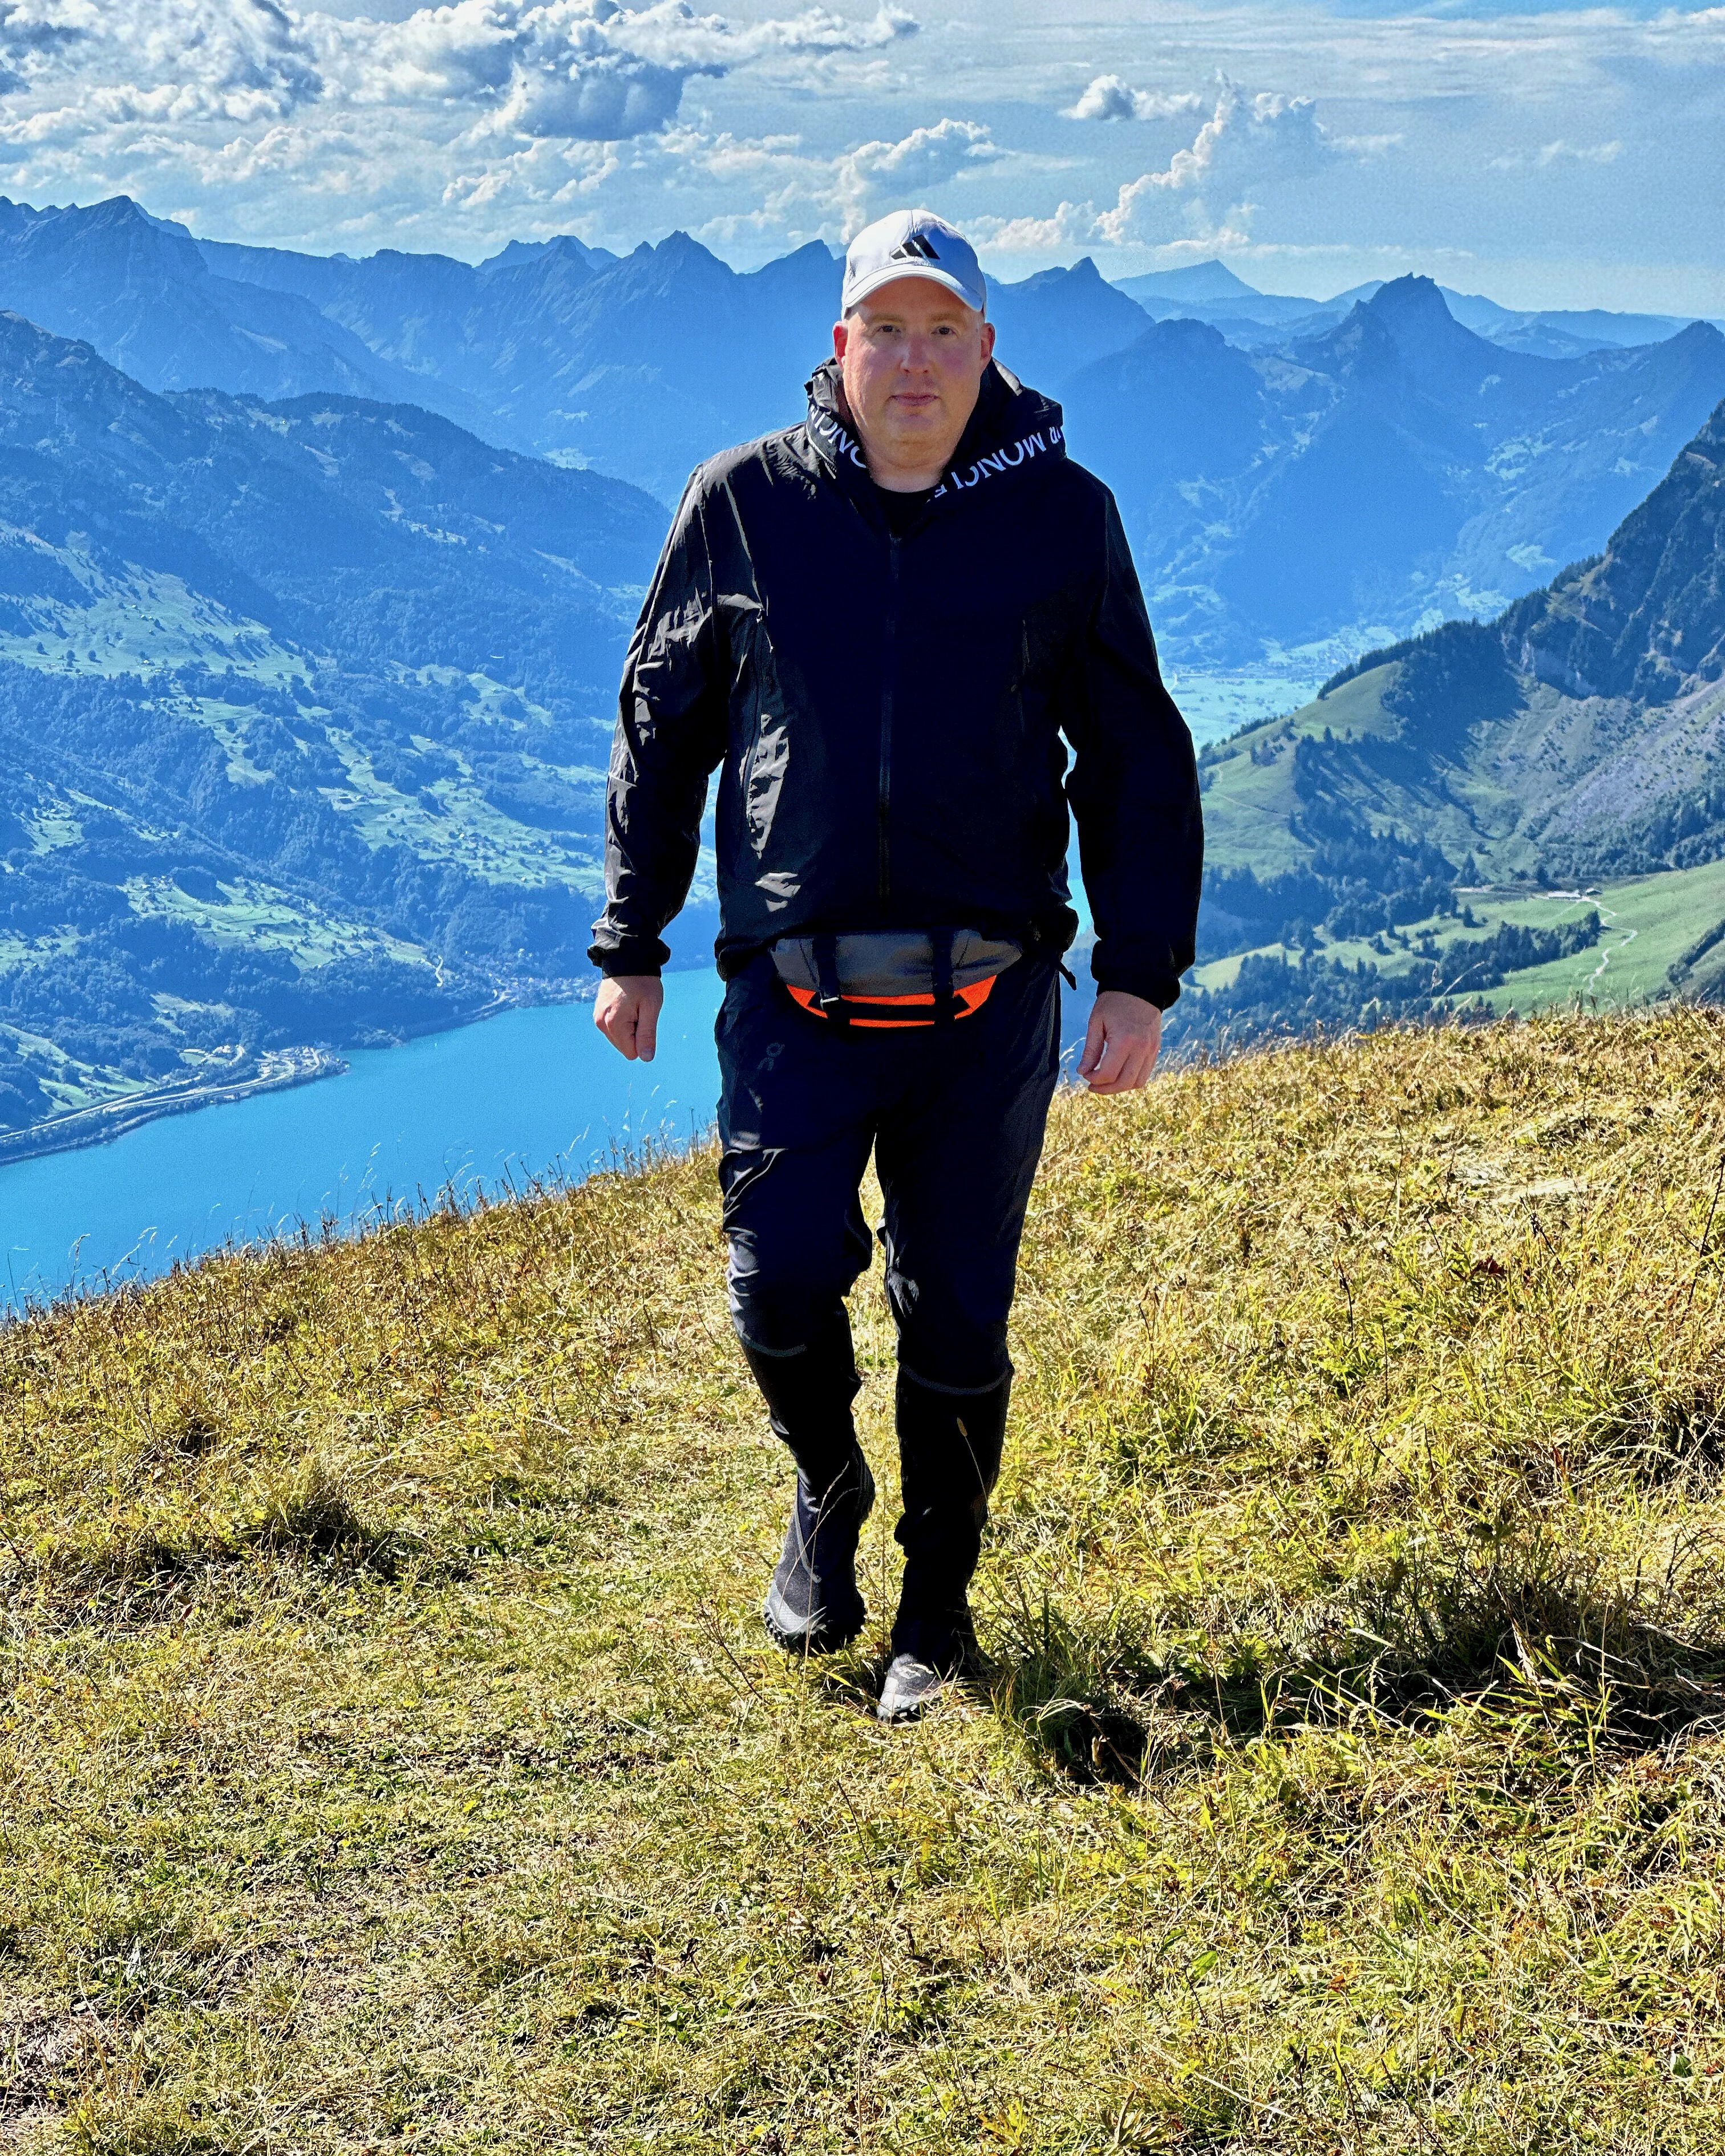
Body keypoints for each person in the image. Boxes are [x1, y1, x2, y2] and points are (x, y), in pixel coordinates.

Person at [591, 207, 1202, 1722]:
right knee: (780, 1283)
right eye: (888, 328)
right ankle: (829, 1483)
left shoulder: (1063, 514)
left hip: (985, 1001)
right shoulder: (743, 505)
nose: (915, 360)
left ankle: (937, 1613)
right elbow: (663, 724)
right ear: (839, 349)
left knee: (960, 1316)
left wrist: (1140, 970)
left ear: (988, 352)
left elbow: (1135, 747)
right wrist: (631, 936)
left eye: (946, 331)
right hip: (790, 999)